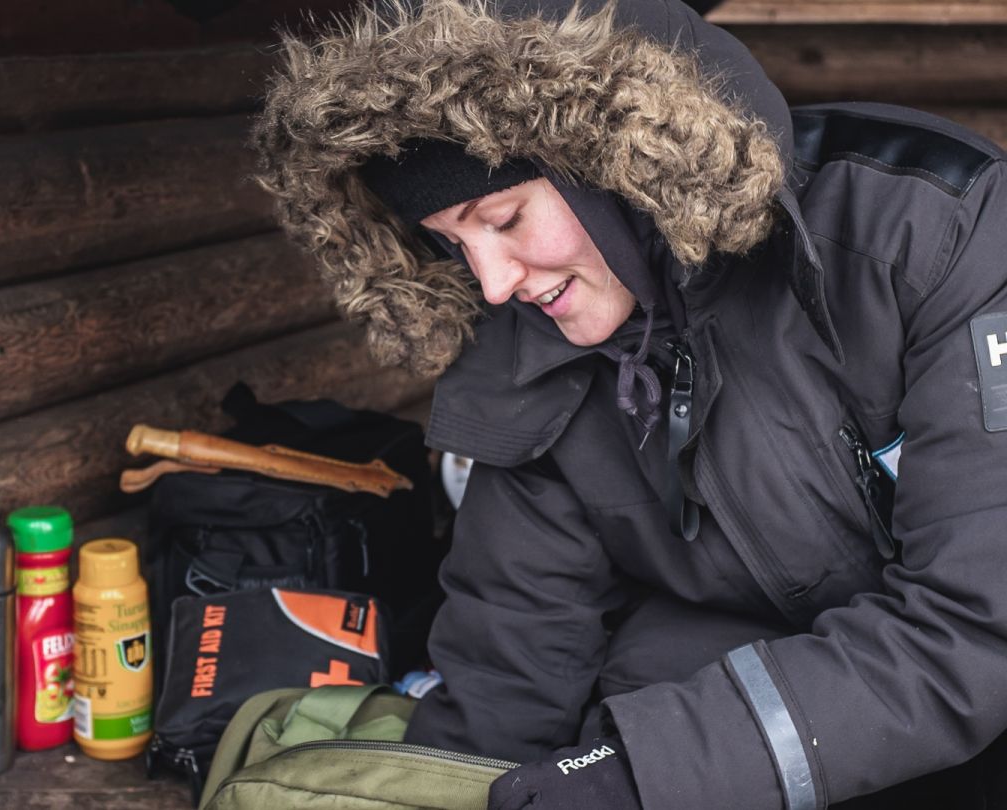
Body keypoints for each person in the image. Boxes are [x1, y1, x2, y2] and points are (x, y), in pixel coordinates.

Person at [251, 1, 1007, 808]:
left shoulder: (934, 228)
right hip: (774, 682)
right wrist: (442, 791)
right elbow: (517, 645)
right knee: (624, 695)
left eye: (504, 220)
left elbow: (977, 621)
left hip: (962, 675)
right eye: (453, 244)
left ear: (615, 165)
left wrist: (644, 775)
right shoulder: (525, 335)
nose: (494, 282)